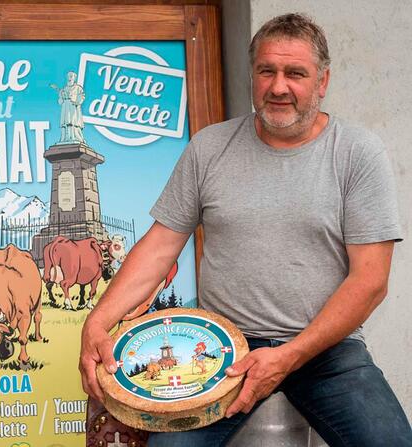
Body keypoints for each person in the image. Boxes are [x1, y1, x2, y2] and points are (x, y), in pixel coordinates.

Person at [79, 13, 412, 447]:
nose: (278, 87)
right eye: (266, 71)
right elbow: (160, 247)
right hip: (220, 351)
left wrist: (289, 355)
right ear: (252, 76)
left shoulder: (358, 153)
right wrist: (97, 322)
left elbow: (370, 281)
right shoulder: (210, 147)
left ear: (323, 81)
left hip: (327, 352)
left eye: (295, 73)